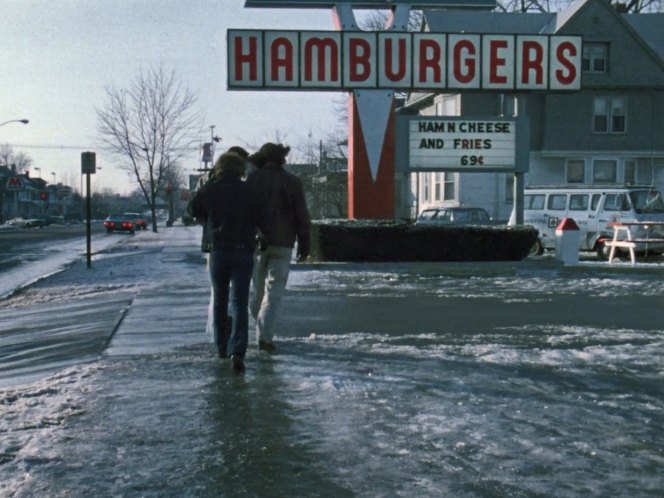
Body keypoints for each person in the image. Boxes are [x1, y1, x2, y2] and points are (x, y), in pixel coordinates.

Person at [189, 151, 257, 374]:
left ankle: (221, 345)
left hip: (219, 249)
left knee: (220, 298)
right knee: (240, 302)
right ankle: (238, 350)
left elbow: (192, 208)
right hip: (243, 250)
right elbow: (261, 215)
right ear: (240, 169)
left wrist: (208, 221)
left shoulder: (212, 188)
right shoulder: (248, 190)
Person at [247, 142, 310, 354]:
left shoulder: (252, 180)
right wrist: (305, 244)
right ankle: (265, 335)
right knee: (274, 292)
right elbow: (301, 215)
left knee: (257, 291)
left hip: (256, 243)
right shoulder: (292, 181)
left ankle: (261, 328)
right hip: (283, 243)